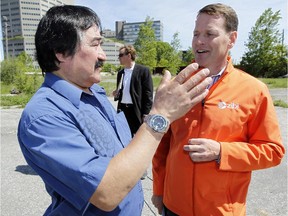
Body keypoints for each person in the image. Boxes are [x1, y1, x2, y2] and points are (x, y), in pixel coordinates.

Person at [17, 5, 213, 216]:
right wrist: (162, 114)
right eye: (95, 44)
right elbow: (107, 192)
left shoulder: (94, 92)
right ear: (62, 53)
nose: (103, 56)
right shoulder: (44, 116)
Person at [151, 3, 285, 216]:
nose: (199, 41)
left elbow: (273, 151)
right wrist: (158, 189)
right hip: (173, 207)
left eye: (209, 33)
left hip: (221, 211)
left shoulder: (254, 90)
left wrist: (222, 152)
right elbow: (162, 145)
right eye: (196, 33)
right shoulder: (177, 86)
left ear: (231, 39)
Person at [113, 45, 153, 137]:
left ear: (129, 55)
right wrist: (116, 93)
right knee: (123, 135)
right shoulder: (120, 73)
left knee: (138, 136)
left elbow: (148, 94)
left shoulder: (143, 71)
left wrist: (146, 113)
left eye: (121, 55)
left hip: (136, 109)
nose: (119, 57)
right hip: (122, 109)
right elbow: (121, 92)